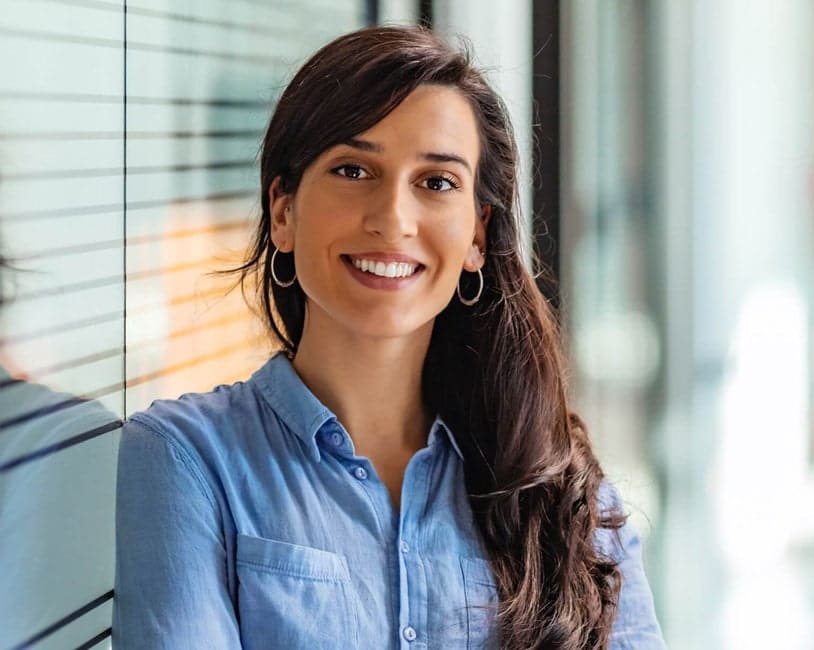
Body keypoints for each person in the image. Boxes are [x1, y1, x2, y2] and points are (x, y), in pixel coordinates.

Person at [113, 26, 666, 649]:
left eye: (436, 183)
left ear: (478, 236)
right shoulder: (188, 460)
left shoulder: (560, 492)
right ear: (283, 211)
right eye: (354, 170)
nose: (393, 220)